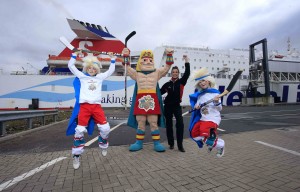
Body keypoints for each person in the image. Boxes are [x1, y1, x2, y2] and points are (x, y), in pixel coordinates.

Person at [68, 51, 116, 169]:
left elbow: (110, 71)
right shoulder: (82, 76)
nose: (91, 70)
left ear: (96, 69)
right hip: (84, 107)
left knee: (105, 128)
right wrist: (74, 55)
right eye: (89, 68)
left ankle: (103, 143)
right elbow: (71, 66)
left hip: (96, 107)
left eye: (93, 68)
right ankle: (76, 156)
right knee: (79, 131)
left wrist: (112, 60)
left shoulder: (100, 77)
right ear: (86, 68)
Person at [122, 48, 174, 152]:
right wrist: (126, 56)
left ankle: (157, 143)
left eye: (150, 60)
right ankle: (139, 143)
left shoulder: (157, 72)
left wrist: (169, 54)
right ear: (141, 61)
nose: (148, 62)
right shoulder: (137, 74)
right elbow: (126, 68)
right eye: (145, 60)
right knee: (140, 122)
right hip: (140, 100)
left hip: (152, 100)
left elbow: (167, 67)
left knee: (153, 122)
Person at [188, 67, 225, 157]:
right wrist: (196, 106)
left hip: (212, 119)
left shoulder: (215, 94)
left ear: (208, 81)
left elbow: (220, 108)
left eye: (203, 80)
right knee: (194, 133)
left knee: (205, 134)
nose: (202, 83)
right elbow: (197, 105)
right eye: (200, 82)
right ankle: (211, 142)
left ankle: (220, 145)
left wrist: (216, 101)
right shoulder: (200, 95)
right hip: (203, 119)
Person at [160, 55, 190, 152]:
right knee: (169, 125)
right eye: (173, 72)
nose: (175, 73)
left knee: (180, 124)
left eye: (176, 72)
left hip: (177, 106)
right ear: (171, 73)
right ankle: (171, 143)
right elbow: (159, 92)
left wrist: (186, 60)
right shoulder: (167, 84)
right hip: (167, 107)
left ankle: (180, 145)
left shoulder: (181, 82)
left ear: (178, 73)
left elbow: (187, 73)